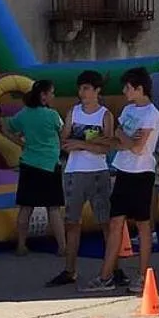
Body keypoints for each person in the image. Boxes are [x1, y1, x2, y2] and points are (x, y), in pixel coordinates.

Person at [82, 68, 159, 293]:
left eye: (128, 87)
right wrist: (124, 138)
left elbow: (138, 147)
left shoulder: (151, 113)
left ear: (139, 88)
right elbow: (120, 141)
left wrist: (123, 137)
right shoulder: (127, 110)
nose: (125, 91)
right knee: (115, 222)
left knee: (143, 226)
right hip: (123, 170)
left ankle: (143, 275)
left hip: (142, 173)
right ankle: (106, 275)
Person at [51, 71, 114, 286]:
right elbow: (65, 141)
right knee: (72, 222)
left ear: (97, 90)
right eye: (80, 88)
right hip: (74, 171)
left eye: (87, 88)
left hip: (98, 171)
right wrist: (84, 144)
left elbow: (106, 146)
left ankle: (112, 267)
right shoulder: (73, 112)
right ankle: (70, 269)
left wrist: (81, 144)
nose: (82, 92)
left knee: (105, 221)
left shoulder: (105, 115)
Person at [5, 80, 66, 257]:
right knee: (53, 208)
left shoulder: (23, 114)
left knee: (26, 207)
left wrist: (21, 143)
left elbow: (8, 128)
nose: (54, 96)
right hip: (49, 164)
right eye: (52, 93)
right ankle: (62, 246)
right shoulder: (52, 115)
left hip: (29, 163)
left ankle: (21, 244)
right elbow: (62, 133)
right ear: (44, 96)